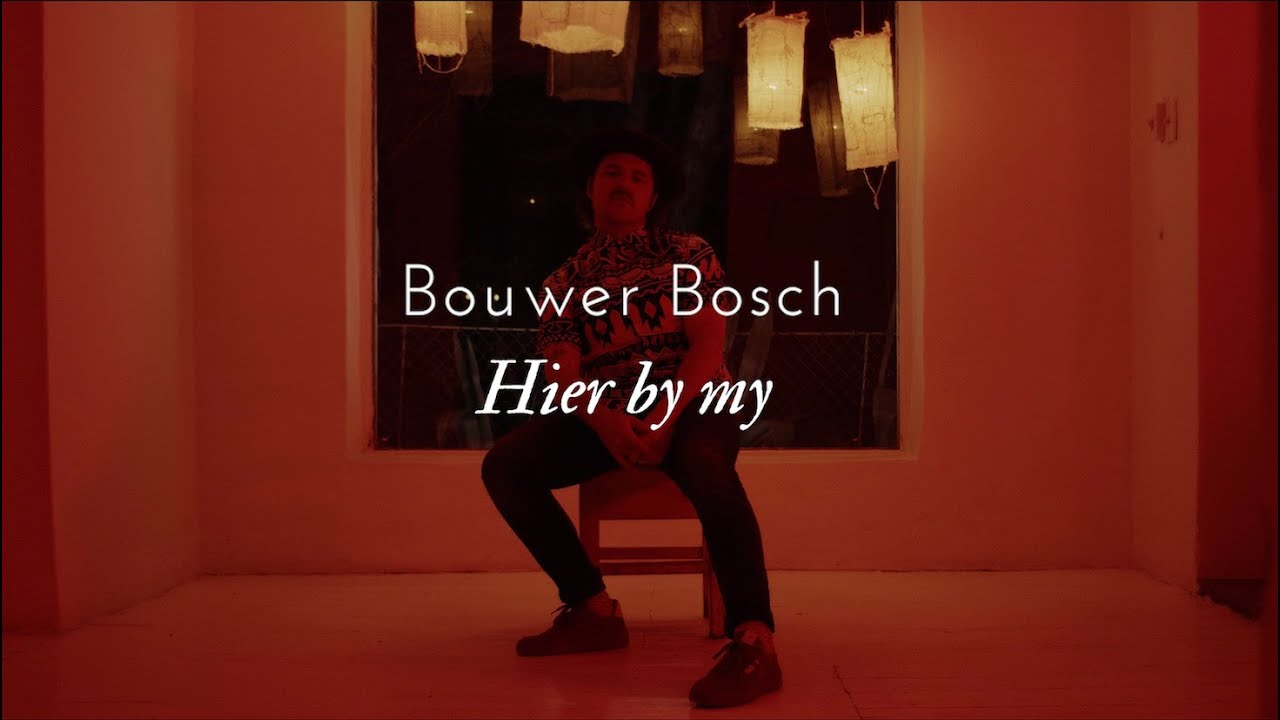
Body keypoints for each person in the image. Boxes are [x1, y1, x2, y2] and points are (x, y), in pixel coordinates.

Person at [481, 128, 780, 709]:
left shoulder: (687, 254)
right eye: (612, 173)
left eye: (639, 177)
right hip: (610, 414)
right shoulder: (563, 281)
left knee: (706, 465)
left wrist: (664, 418)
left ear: (653, 197)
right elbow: (562, 372)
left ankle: (754, 639)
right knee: (505, 465)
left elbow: (707, 349)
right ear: (590, 189)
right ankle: (592, 608)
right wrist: (606, 423)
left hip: (693, 403)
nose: (625, 183)